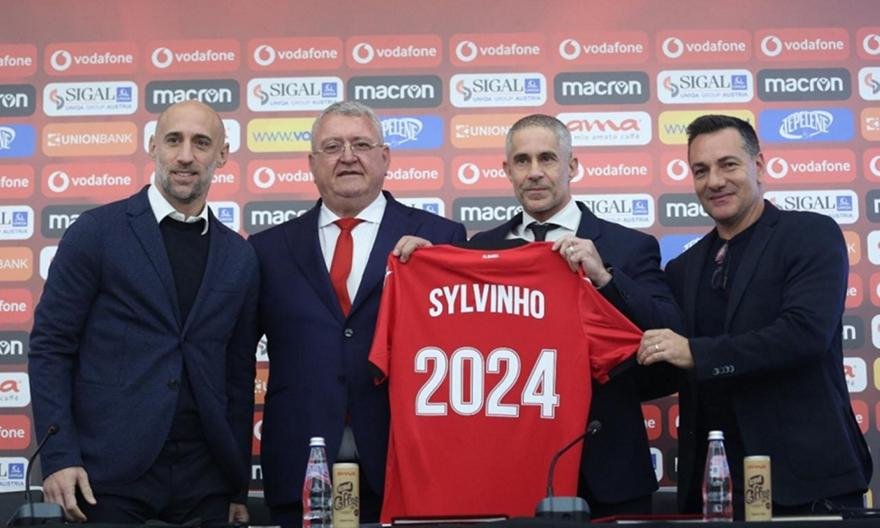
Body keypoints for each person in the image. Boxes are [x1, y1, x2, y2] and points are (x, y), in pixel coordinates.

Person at [28, 100, 260, 524]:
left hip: (206, 478)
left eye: (201, 143)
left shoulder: (239, 256)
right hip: (106, 476)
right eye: (173, 140)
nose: (186, 155)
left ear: (222, 154)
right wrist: (59, 457)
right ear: (153, 146)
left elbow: (238, 375)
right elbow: (50, 348)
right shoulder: (96, 233)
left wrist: (236, 485)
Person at [637, 114, 872, 519]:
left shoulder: (810, 235)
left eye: (728, 164)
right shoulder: (683, 268)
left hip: (806, 483)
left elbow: (804, 334)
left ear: (758, 165)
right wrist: (608, 282)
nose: (714, 181)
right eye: (701, 170)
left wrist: (696, 353)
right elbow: (668, 366)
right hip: (713, 488)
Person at [248, 100, 466, 526]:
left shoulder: (440, 237)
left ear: (385, 157)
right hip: (298, 462)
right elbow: (234, 364)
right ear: (311, 164)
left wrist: (438, 273)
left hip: (406, 457)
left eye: (361, 145)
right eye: (332, 147)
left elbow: (464, 352)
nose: (347, 156)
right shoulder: (266, 249)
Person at [468, 114, 682, 517]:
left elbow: (669, 331)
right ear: (507, 171)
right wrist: (419, 262)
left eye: (547, 158)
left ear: (572, 166)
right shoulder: (480, 249)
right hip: (507, 463)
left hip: (606, 468)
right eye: (522, 160)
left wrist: (605, 277)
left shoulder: (628, 246)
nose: (534, 172)